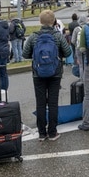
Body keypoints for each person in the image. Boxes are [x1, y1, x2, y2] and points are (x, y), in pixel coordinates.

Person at [22, 10, 72, 141]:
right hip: (55, 72)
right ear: (53, 21)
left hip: (38, 74)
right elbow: (67, 52)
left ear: (40, 21)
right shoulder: (57, 36)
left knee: (40, 103)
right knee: (53, 102)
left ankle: (42, 133)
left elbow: (25, 54)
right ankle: (52, 132)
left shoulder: (34, 36)